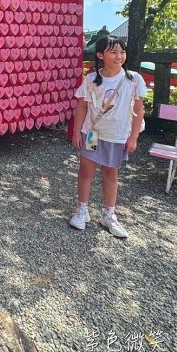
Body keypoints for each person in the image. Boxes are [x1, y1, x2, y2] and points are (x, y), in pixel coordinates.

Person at [69, 36, 146, 238]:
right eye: (113, 52)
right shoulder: (92, 79)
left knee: (111, 173)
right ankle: (82, 209)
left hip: (117, 136)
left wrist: (133, 137)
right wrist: (77, 132)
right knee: (86, 170)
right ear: (100, 55)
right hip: (93, 133)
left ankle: (109, 214)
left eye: (122, 52)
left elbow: (139, 109)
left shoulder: (133, 79)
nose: (119, 56)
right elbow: (82, 106)